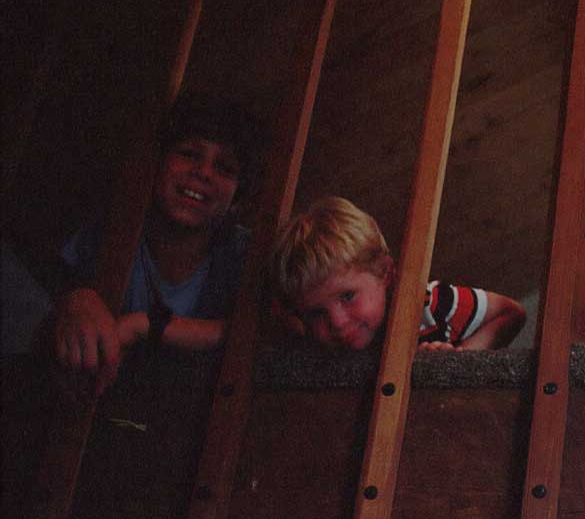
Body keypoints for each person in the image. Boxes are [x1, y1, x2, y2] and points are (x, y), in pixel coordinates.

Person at [52, 94, 264, 393]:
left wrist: (145, 326)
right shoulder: (112, 231)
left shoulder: (245, 258)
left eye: (225, 168)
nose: (203, 172)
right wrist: (76, 298)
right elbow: (56, 290)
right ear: (158, 162)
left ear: (238, 197)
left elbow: (262, 333)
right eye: (189, 153)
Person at [271, 196, 526, 350]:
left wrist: (461, 358)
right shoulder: (318, 344)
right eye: (316, 312)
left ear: (384, 273)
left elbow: (511, 312)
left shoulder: (429, 303)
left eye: (347, 296)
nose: (337, 322)